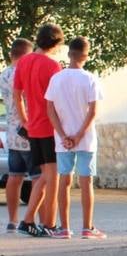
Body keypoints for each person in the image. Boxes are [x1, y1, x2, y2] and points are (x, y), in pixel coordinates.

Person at [45, 36, 106, 239]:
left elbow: (50, 109)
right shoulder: (90, 79)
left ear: (69, 53)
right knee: (86, 181)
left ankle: (64, 228)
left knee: (65, 179)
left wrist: (64, 135)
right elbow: (93, 111)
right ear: (86, 56)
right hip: (86, 139)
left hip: (63, 140)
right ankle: (87, 227)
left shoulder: (56, 78)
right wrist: (79, 135)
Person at [12, 22, 65, 237]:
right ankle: (49, 224)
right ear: (56, 43)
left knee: (44, 176)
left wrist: (25, 120)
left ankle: (28, 220)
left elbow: (17, 94)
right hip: (49, 127)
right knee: (52, 178)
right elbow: (57, 100)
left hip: (33, 127)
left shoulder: (23, 62)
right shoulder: (53, 66)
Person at [0, 38, 43, 231]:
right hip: (29, 132)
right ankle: (38, 219)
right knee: (38, 177)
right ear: (27, 55)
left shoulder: (4, 74)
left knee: (14, 177)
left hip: (11, 134)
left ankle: (12, 220)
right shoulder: (26, 73)